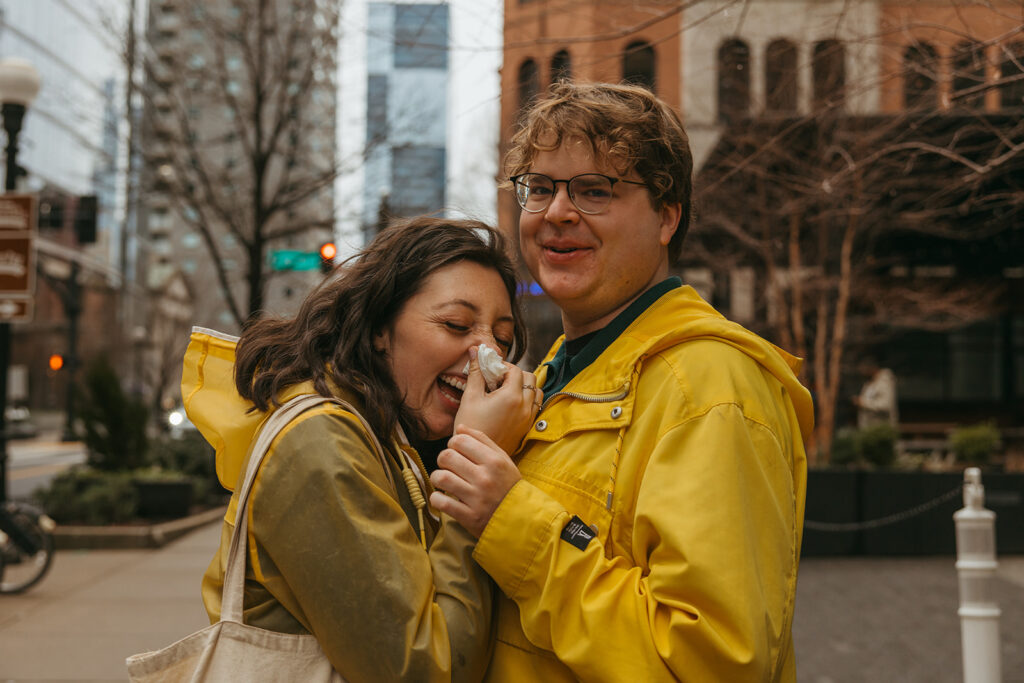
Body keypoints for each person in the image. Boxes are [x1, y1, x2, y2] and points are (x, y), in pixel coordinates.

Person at [429, 82, 815, 681]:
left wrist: (512, 519)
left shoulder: (711, 389)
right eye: (540, 188)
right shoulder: (560, 374)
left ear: (667, 217)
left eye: (594, 190)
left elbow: (711, 663)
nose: (558, 212)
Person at [187, 217, 541, 682]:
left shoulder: (391, 436)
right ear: (379, 326)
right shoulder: (320, 441)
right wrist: (476, 468)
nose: (487, 356)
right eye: (456, 324)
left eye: (502, 337)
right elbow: (424, 669)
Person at [853, 357, 899, 429]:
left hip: (882, 430)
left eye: (864, 370)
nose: (862, 373)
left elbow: (886, 405)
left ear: (872, 368)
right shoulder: (870, 383)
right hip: (869, 429)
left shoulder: (884, 381)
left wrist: (863, 403)